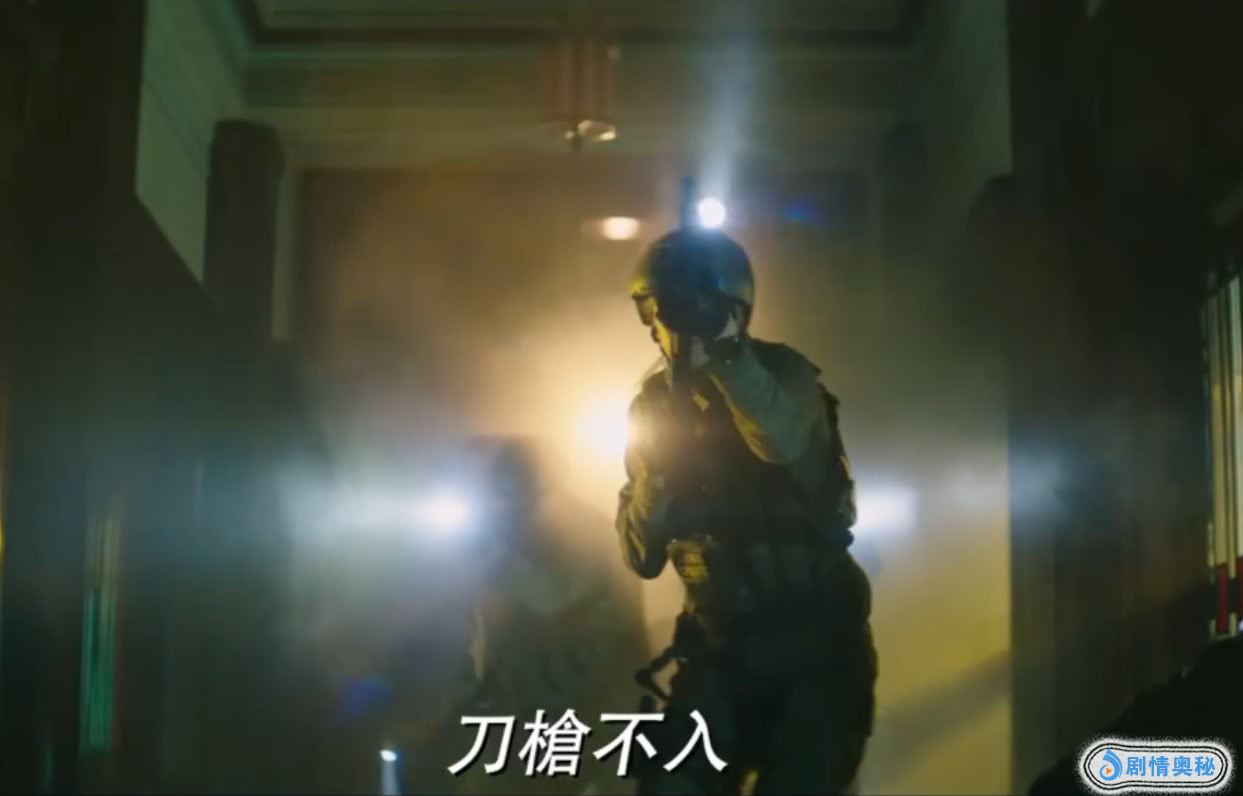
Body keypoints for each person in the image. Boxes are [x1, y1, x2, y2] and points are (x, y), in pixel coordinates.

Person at [616, 226, 878, 795]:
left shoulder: (784, 377)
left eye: (686, 310)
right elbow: (641, 555)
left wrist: (728, 356)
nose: (667, 328)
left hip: (813, 656)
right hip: (719, 654)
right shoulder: (653, 408)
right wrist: (658, 477)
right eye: (655, 310)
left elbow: (779, 440)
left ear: (733, 312)